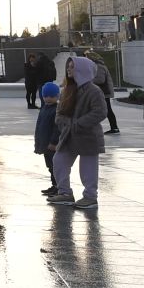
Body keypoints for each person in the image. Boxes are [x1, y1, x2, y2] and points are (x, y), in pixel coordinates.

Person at [47, 57, 106, 208]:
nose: (69, 69)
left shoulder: (94, 91)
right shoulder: (67, 89)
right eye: (68, 67)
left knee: (88, 169)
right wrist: (66, 123)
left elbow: (100, 112)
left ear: (82, 70)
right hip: (69, 135)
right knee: (59, 161)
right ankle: (65, 193)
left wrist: (79, 123)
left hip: (88, 136)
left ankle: (90, 197)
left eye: (72, 67)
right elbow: (59, 113)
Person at [83, 48, 121, 133]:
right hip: (103, 91)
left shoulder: (98, 66)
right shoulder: (97, 65)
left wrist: (88, 80)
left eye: (86, 58)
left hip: (104, 92)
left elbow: (100, 80)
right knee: (105, 109)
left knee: (106, 109)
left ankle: (114, 127)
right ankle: (113, 127)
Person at [34, 79, 62, 194]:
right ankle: (54, 185)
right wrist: (38, 142)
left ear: (57, 97)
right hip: (45, 143)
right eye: (46, 96)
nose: (48, 98)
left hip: (52, 145)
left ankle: (58, 186)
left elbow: (57, 128)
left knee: (55, 166)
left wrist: (54, 142)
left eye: (51, 96)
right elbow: (39, 126)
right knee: (50, 166)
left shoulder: (56, 110)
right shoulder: (44, 109)